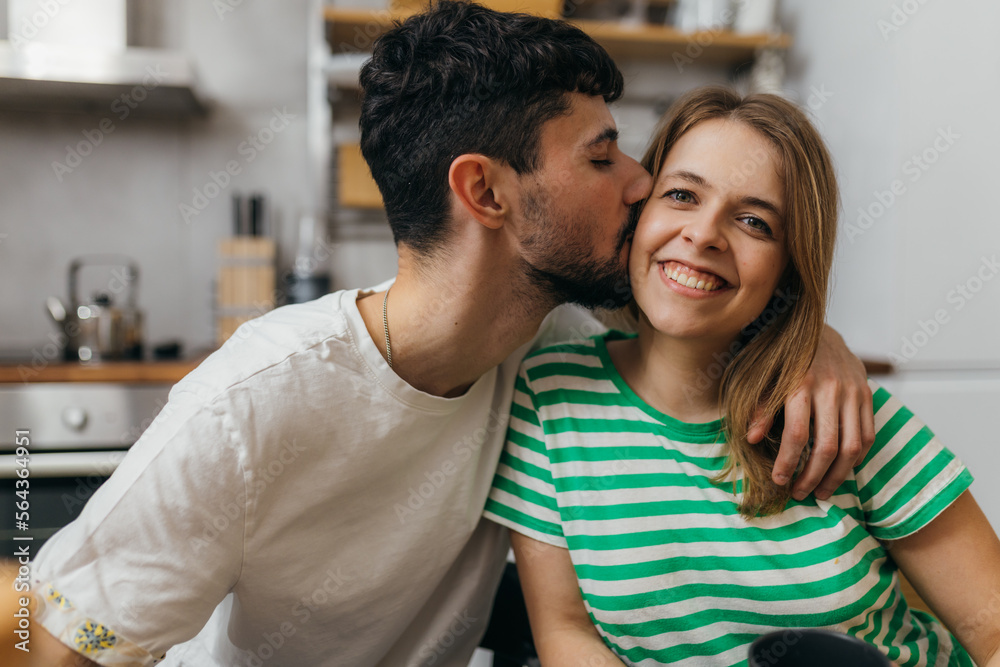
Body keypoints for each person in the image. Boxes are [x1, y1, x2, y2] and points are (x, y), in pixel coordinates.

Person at [20, 5, 875, 667]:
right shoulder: (252, 405)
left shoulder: (551, 337)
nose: (642, 183)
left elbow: (706, 305)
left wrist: (813, 344)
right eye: (602, 155)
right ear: (489, 193)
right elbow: (50, 637)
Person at [484, 86, 1000, 666]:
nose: (704, 235)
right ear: (638, 210)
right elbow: (566, 633)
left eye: (754, 221)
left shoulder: (851, 418)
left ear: (788, 267)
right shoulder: (552, 392)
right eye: (681, 194)